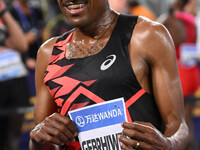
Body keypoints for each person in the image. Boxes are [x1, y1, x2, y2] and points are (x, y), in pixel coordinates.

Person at [29, 0, 189, 149]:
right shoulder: (48, 53)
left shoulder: (146, 36)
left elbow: (178, 125)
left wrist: (168, 144)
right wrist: (37, 139)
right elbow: (42, 141)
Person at [159, 0, 198, 149]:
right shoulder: (192, 22)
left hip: (178, 77)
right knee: (188, 122)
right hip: (192, 74)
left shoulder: (170, 21)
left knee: (178, 126)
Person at [0, 0, 29, 150]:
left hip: (15, 81)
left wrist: (3, 11)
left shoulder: (2, 23)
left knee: (13, 140)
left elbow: (22, 44)